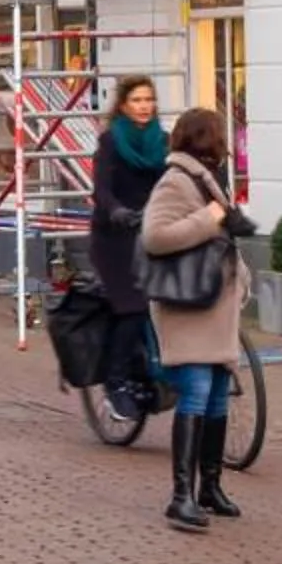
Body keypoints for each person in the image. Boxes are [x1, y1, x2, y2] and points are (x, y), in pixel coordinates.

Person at [139, 106, 254, 532]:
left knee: (218, 395)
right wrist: (209, 218)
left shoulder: (209, 179)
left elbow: (224, 240)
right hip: (188, 306)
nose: (225, 140)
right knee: (197, 393)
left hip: (215, 306)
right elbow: (156, 236)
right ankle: (180, 496)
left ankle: (210, 487)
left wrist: (241, 279)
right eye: (219, 133)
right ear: (205, 138)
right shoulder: (176, 180)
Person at [87, 76, 166, 422]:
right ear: (123, 105)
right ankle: (116, 383)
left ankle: (162, 368)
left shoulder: (163, 141)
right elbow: (101, 190)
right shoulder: (110, 142)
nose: (145, 106)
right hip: (114, 238)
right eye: (137, 100)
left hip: (152, 230)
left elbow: (173, 181)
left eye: (149, 99)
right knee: (132, 306)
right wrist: (116, 210)